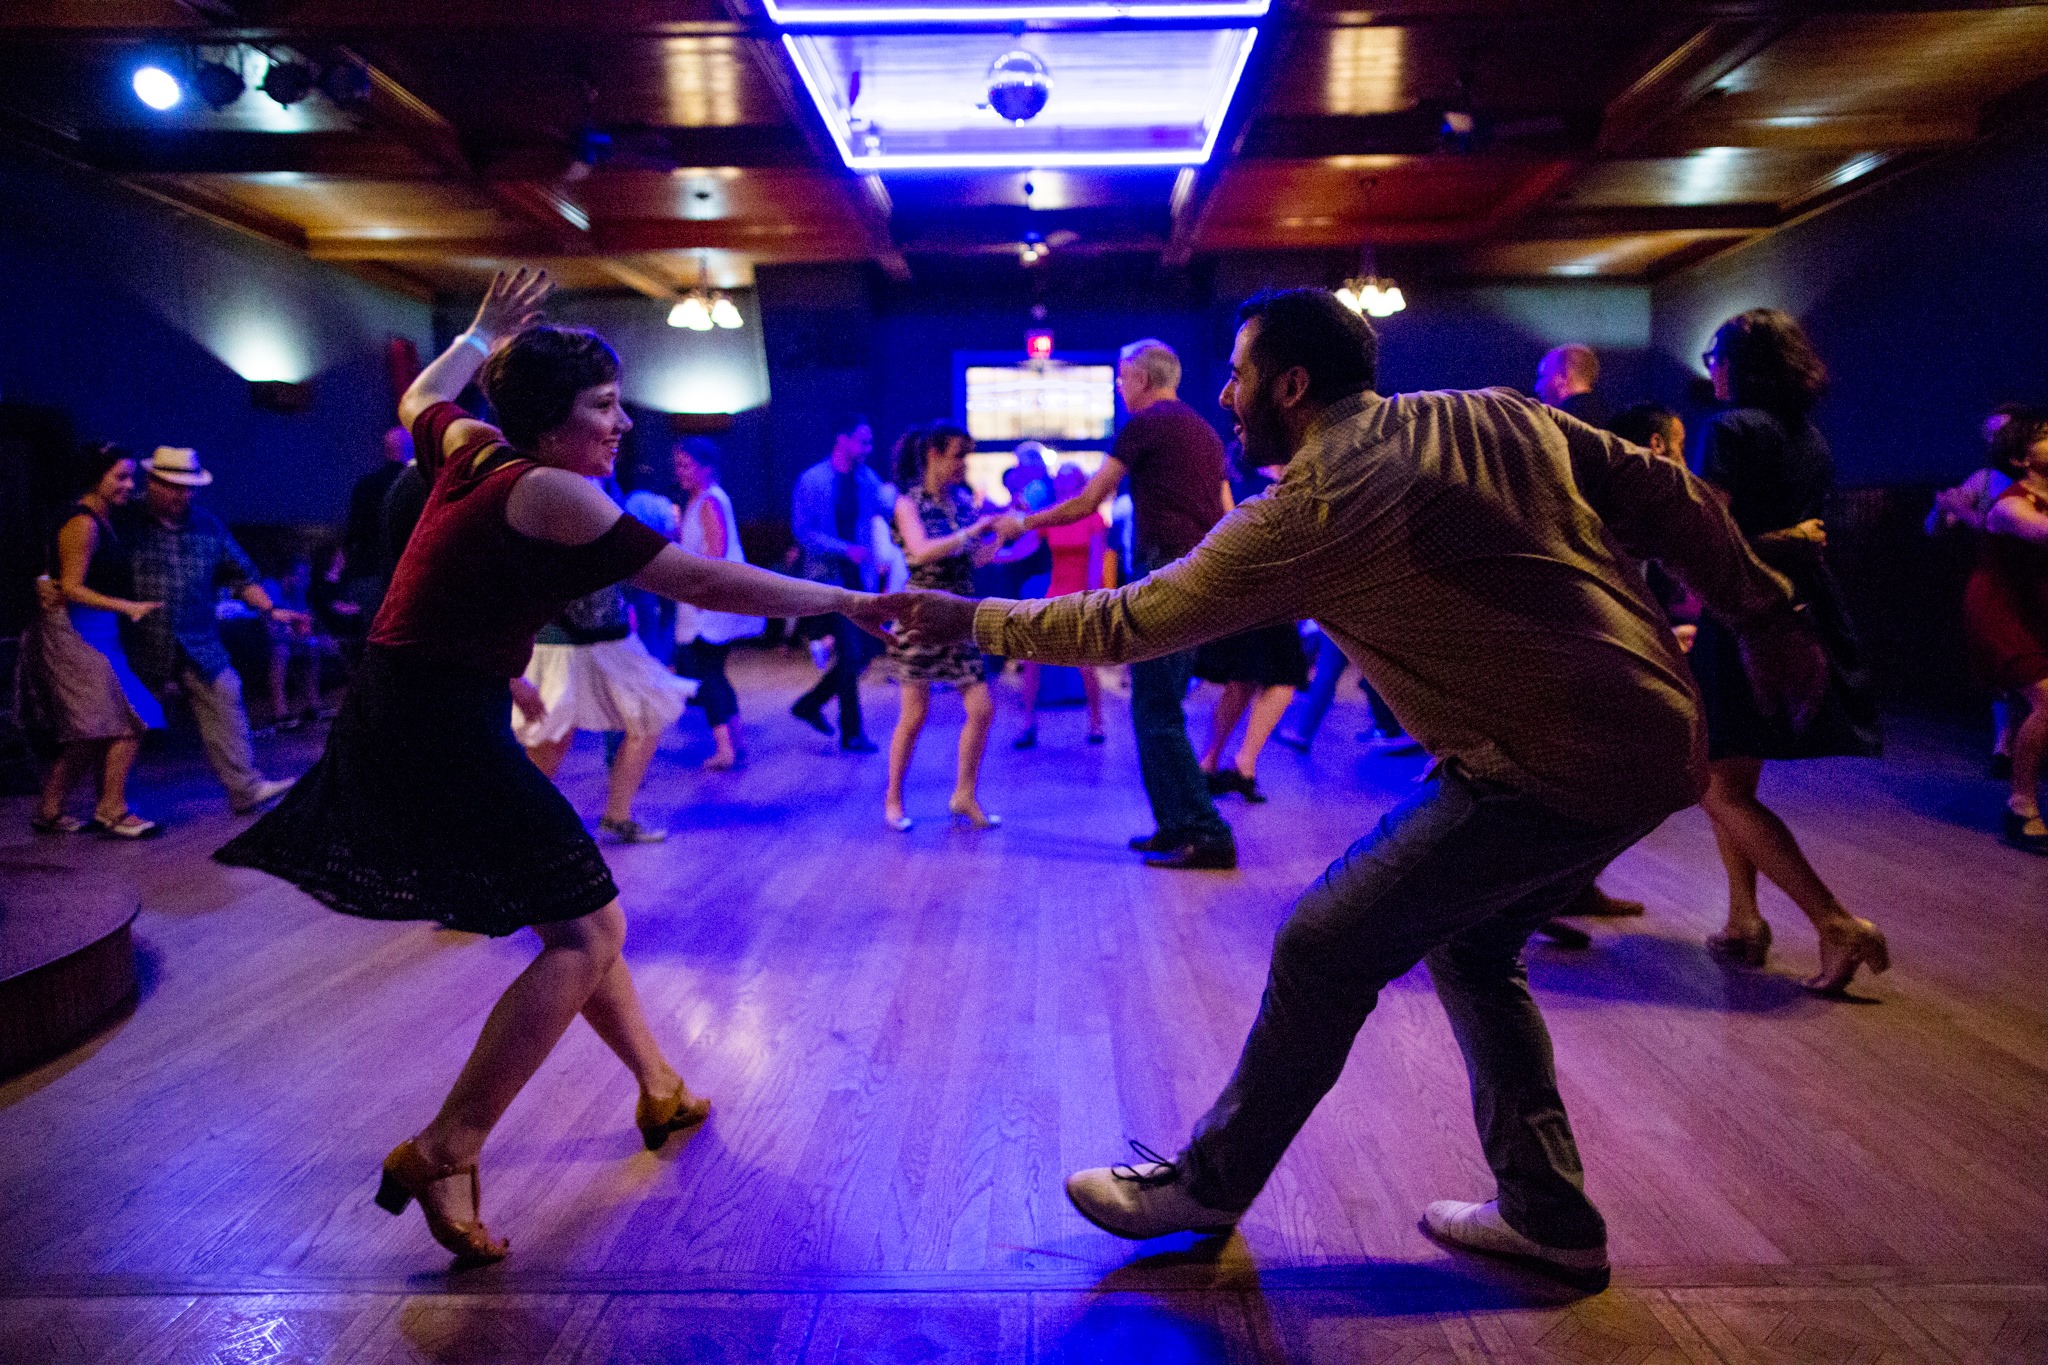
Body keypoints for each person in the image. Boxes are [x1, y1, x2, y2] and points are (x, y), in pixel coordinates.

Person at [895, 287, 1830, 1288]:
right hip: (1659, 734)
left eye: (1240, 375)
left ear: (1289, 386)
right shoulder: (1492, 412)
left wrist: (969, 621)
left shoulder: (1311, 507)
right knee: (1472, 951)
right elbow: (1666, 495)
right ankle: (1548, 1214)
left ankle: (1209, 1186)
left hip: (1549, 765)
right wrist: (1764, 617)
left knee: (1321, 943)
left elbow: (1127, 622)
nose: (1226, 392)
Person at [217, 270, 898, 1267]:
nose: (622, 423)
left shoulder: (474, 448)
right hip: (440, 722)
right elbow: (697, 576)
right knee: (586, 933)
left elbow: (420, 399)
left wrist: (482, 332)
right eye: (603, 407)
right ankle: (449, 1146)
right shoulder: (551, 492)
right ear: (549, 421)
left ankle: (659, 1086)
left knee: (575, 915)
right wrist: (843, 603)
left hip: (414, 706)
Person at [1691, 309, 1889, 986]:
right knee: (1733, 775)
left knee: (1714, 784)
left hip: (1746, 611)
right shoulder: (1809, 436)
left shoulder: (1729, 430)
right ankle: (1742, 920)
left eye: (1715, 353)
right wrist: (1788, 538)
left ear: (1740, 363)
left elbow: (1709, 534)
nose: (1709, 366)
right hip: (1804, 606)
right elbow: (1804, 532)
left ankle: (1835, 921)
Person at [997, 339, 1237, 870]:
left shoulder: (1145, 425)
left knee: (1156, 709)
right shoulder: (1202, 430)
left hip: (1166, 574)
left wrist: (1023, 522)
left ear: (1144, 379)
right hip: (1196, 575)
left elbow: (1088, 501)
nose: (1118, 387)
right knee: (1159, 703)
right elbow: (1227, 512)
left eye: (1122, 378)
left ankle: (1206, 832)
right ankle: (1175, 826)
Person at [120, 447, 302, 814]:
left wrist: (272, 608)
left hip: (197, 639)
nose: (183, 495)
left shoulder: (206, 525)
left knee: (226, 692)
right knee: (125, 722)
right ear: (153, 483)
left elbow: (241, 575)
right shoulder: (125, 521)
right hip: (139, 641)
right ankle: (108, 801)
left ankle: (245, 789)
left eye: (189, 488)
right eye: (174, 487)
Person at [22, 444, 164, 838]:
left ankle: (49, 811)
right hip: (73, 633)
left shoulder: (108, 517)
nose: (128, 485)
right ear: (95, 477)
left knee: (94, 729)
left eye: (130, 476)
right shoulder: (82, 522)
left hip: (97, 632)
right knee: (134, 717)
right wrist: (128, 606)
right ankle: (112, 810)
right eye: (120, 476)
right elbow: (69, 586)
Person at [882, 424, 1001, 830]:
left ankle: (964, 794)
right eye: (956, 455)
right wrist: (971, 531)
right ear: (932, 454)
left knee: (982, 709)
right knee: (914, 714)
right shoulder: (907, 504)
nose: (961, 464)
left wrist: (999, 535)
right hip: (922, 616)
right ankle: (893, 800)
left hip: (960, 616)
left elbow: (977, 559)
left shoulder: (962, 501)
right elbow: (921, 552)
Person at [514, 578, 695, 844]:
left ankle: (618, 817)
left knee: (648, 717)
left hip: (614, 637)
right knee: (552, 734)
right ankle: (521, 825)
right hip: (558, 643)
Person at [1194, 447, 1309, 803]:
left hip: (1272, 594)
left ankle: (1238, 764)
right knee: (1245, 680)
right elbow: (1229, 531)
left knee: (1279, 679)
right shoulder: (1235, 478)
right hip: (1246, 591)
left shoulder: (1287, 477)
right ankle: (1216, 764)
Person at [1962, 407, 2048, 853]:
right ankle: (2021, 806)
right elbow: (2041, 533)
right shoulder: (2011, 504)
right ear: (2021, 459)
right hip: (2001, 610)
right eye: (2046, 436)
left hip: (2036, 607)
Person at [1929, 403, 2031, 777]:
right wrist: (1944, 508)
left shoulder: (2033, 482)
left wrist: (1964, 512)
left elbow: (1998, 525)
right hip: (2002, 584)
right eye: (1989, 434)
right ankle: (2004, 747)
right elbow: (1935, 527)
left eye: (2001, 432)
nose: (1993, 440)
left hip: (2032, 582)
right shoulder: (1985, 479)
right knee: (2005, 672)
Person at [790, 415, 885, 753]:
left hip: (861, 580)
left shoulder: (867, 480)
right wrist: (845, 549)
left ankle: (809, 704)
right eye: (862, 441)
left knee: (863, 655)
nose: (867, 448)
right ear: (841, 439)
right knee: (851, 653)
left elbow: (885, 512)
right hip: (827, 580)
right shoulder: (812, 480)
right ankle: (852, 733)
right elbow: (803, 532)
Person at [672, 437, 763, 771]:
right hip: (704, 604)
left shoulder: (710, 501)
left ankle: (725, 747)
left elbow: (716, 552)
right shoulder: (699, 501)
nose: (680, 471)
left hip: (706, 608)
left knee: (708, 674)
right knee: (715, 673)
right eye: (678, 465)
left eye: (686, 465)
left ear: (705, 467)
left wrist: (699, 597)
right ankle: (734, 742)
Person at [1014, 464, 1107, 749]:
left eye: (1070, 482)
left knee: (1086, 662)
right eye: (1061, 482)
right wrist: (996, 554)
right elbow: (1026, 547)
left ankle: (1096, 721)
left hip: (1080, 596)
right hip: (1054, 594)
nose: (1064, 486)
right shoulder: (1053, 516)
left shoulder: (1092, 518)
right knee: (1031, 657)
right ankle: (1028, 723)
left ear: (1080, 485)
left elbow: (1096, 561)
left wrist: (1089, 600)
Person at [339, 427, 413, 621]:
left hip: (368, 573)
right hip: (405, 575)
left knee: (373, 635)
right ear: (411, 449)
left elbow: (353, 533)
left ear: (386, 450)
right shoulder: (417, 484)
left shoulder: (365, 485)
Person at [1535, 344, 1612, 430]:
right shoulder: (1610, 417)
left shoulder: (1558, 422)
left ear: (1562, 377)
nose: (1537, 387)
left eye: (1543, 376)